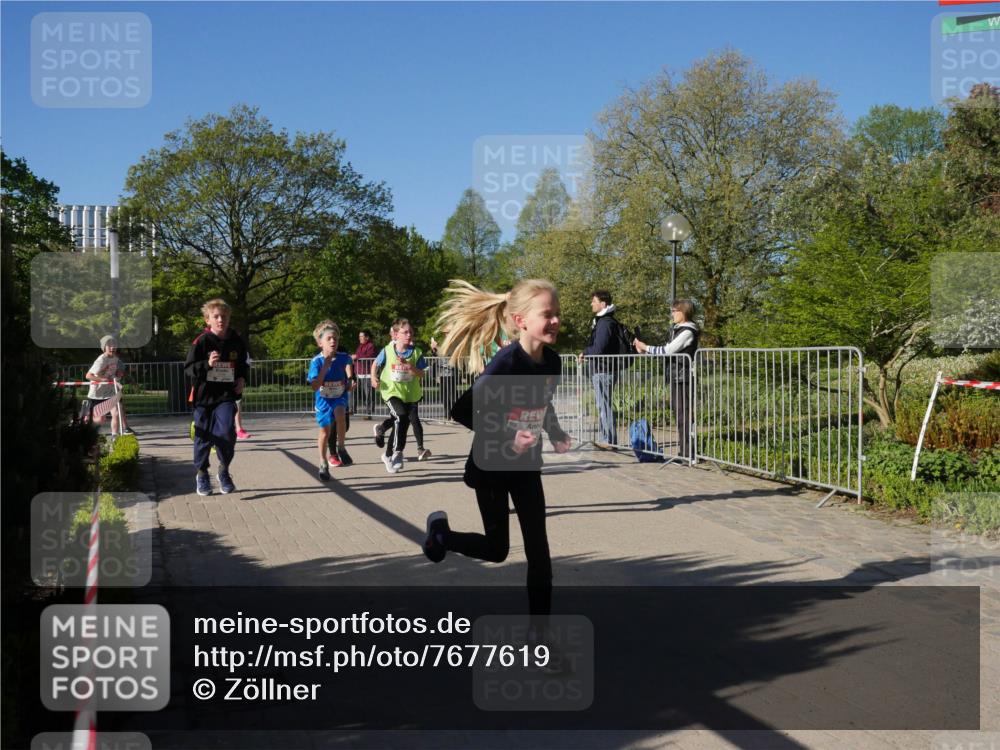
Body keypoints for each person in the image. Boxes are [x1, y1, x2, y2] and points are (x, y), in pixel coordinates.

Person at [424, 279, 571, 619]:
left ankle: (541, 636)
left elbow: (542, 404)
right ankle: (442, 535)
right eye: (546, 314)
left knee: (539, 551)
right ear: (521, 320)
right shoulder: (504, 365)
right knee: (497, 550)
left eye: (557, 314)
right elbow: (462, 410)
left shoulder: (552, 362)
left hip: (526, 469)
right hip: (491, 467)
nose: (555, 321)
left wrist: (556, 432)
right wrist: (509, 436)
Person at [184, 299, 249, 496]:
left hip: (226, 396)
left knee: (227, 432)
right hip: (203, 398)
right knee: (202, 437)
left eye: (224, 316)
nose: (221, 319)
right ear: (208, 320)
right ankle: (202, 473)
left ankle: (224, 470)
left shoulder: (237, 341)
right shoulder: (202, 341)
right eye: (216, 316)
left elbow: (244, 365)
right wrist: (207, 364)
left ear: (229, 319)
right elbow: (188, 369)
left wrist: (242, 379)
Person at [634, 299, 700, 459]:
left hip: (683, 377)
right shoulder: (678, 330)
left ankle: (688, 453)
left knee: (683, 415)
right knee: (680, 415)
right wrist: (646, 351)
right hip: (677, 377)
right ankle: (685, 452)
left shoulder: (687, 331)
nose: (672, 314)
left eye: (674, 311)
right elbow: (665, 351)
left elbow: (668, 350)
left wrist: (645, 347)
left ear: (684, 312)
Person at [370, 318, 428, 473]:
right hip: (390, 391)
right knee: (400, 417)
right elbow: (375, 363)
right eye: (405, 332)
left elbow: (422, 374)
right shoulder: (388, 350)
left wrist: (410, 366)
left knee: (402, 423)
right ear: (396, 335)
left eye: (411, 332)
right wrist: (373, 377)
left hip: (409, 395)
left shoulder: (416, 352)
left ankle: (388, 455)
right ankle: (398, 453)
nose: (409, 335)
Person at [308, 320, 355, 479]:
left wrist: (350, 381)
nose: (333, 341)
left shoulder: (343, 357)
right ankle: (322, 461)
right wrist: (325, 367)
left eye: (335, 338)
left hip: (339, 396)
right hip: (323, 400)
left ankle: (341, 448)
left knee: (341, 415)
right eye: (329, 338)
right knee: (325, 432)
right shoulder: (316, 362)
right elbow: (314, 386)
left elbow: (348, 362)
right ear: (320, 343)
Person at [578, 290, 621, 449]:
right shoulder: (604, 322)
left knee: (604, 406)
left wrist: (585, 352)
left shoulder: (605, 323)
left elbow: (599, 348)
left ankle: (608, 440)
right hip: (603, 369)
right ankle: (606, 439)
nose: (591, 303)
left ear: (603, 304)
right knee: (603, 405)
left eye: (594, 301)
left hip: (604, 369)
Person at [86, 334, 133, 437]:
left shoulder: (115, 359)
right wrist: (103, 379)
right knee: (100, 419)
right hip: (97, 394)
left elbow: (114, 372)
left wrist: (117, 374)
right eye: (109, 345)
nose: (112, 348)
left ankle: (114, 437)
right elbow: (88, 376)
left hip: (110, 392)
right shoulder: (101, 360)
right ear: (104, 347)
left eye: (114, 345)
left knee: (116, 412)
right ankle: (87, 427)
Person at [351, 330, 377, 418]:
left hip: (368, 374)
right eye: (359, 336)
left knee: (368, 394)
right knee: (354, 392)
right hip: (358, 373)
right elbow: (359, 356)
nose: (359, 338)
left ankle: (369, 413)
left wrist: (356, 356)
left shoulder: (371, 346)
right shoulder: (360, 346)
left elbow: (369, 356)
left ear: (367, 337)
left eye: (361, 336)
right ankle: (352, 410)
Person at [235, 352, 253, 439]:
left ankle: (239, 429)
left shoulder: (239, 345)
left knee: (237, 402)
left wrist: (242, 379)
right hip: (215, 380)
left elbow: (246, 363)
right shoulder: (205, 340)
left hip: (234, 378)